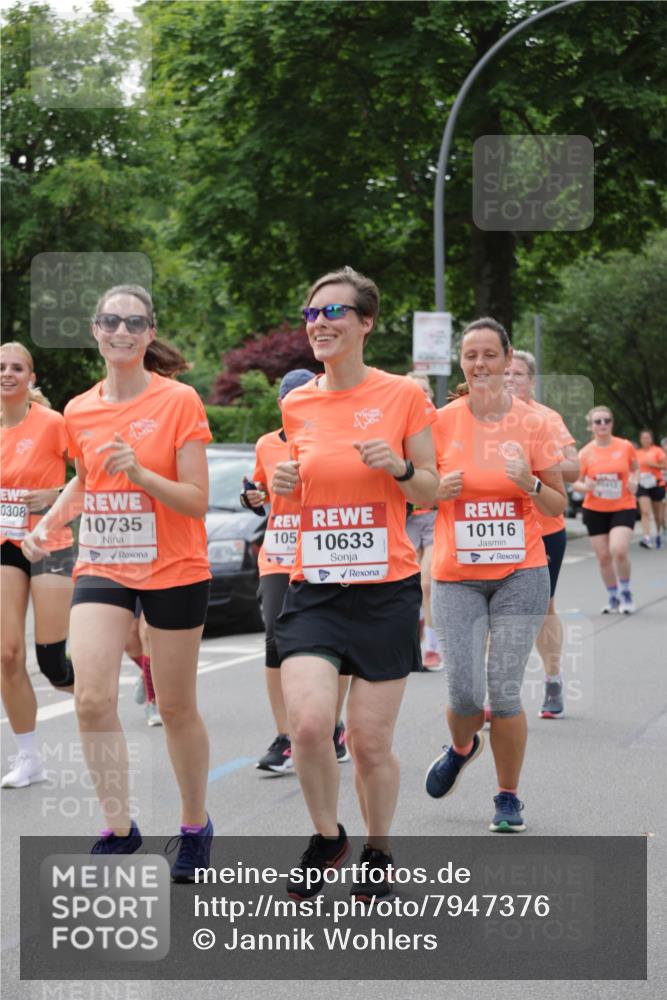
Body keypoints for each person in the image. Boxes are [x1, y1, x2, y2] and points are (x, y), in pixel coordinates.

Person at [21, 284, 213, 881]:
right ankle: (120, 828)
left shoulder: (180, 401)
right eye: (111, 321)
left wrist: (143, 474)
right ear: (96, 330)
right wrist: (51, 521)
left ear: (150, 333)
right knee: (92, 696)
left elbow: (197, 501)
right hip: (104, 560)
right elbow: (86, 480)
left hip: (175, 565)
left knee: (177, 706)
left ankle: (194, 825)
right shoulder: (79, 409)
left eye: (134, 322)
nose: (122, 331)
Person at [271, 266, 438, 900]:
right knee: (310, 725)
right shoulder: (297, 401)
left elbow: (428, 490)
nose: (320, 324)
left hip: (386, 589)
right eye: (312, 314)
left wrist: (396, 466)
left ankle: (378, 846)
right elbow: (299, 481)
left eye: (334, 312)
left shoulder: (403, 397)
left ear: (365, 322)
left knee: (371, 743)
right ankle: (327, 836)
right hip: (314, 586)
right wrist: (282, 487)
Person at [426, 318, 566, 833]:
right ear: (460, 363)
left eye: (489, 354)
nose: (480, 364)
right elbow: (414, 495)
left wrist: (528, 482)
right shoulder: (439, 422)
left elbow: (557, 501)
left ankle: (508, 797)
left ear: (508, 360)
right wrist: (436, 488)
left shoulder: (534, 423)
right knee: (463, 693)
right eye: (470, 356)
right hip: (456, 575)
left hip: (521, 572)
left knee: (503, 692)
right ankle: (462, 747)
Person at [246, 368, 351, 774]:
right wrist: (252, 497)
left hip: (325, 550)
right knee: (276, 637)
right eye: (287, 401)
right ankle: (286, 736)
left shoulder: (334, 441)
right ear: (281, 405)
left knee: (334, 642)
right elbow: (258, 492)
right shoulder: (266, 445)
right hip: (281, 552)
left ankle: (332, 725)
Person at [1, 343, 75, 788]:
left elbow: (91, 474)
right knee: (7, 654)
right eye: (1, 367)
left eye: (17, 368)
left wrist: (55, 496)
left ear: (31, 377)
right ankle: (27, 758)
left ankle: (96, 700)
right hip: (5, 545)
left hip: (50, 543)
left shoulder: (52, 423)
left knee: (53, 664)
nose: (7, 374)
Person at [504, 350, 580, 719]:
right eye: (505, 374)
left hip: (544, 527)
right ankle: (498, 693)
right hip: (500, 529)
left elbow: (574, 467)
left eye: (517, 374)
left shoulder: (547, 418)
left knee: (542, 607)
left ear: (530, 380)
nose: (510, 380)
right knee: (494, 610)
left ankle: (552, 678)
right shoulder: (484, 419)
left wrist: (538, 463)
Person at [572, 406, 639, 613]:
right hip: (595, 509)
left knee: (618, 550)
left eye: (606, 420)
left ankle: (626, 592)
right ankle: (613, 596)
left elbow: (635, 469)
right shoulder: (585, 453)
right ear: (591, 426)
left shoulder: (625, 446)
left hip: (623, 506)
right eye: (597, 421)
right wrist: (587, 487)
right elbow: (576, 483)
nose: (602, 425)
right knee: (603, 557)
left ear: (612, 423)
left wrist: (634, 482)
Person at [405, 372, 442, 671]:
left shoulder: (441, 425)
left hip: (434, 515)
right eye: (414, 391)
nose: (422, 396)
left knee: (428, 582)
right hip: (405, 518)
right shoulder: (398, 425)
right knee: (410, 585)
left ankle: (432, 647)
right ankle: (412, 638)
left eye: (425, 391)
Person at [124, 604, 162, 726]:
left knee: (147, 630)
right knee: (128, 641)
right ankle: (147, 676)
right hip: (127, 585)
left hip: (153, 585)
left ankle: (153, 702)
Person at [635, 429, 666, 549]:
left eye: (647, 438)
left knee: (657, 515)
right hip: (642, 484)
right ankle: (646, 537)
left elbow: (665, 466)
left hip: (656, 483)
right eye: (643, 438)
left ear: (651, 439)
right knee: (645, 511)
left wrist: (653, 465)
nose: (645, 440)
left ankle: (658, 533)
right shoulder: (637, 453)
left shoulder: (658, 451)